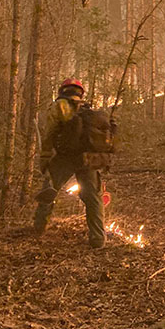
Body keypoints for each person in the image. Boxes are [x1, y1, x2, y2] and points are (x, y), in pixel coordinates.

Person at [33, 78, 107, 248]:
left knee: (49, 190)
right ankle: (98, 238)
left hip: (64, 158)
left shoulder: (59, 106)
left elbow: (49, 133)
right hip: (87, 158)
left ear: (63, 90)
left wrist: (44, 159)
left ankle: (38, 228)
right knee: (93, 197)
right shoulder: (87, 109)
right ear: (80, 92)